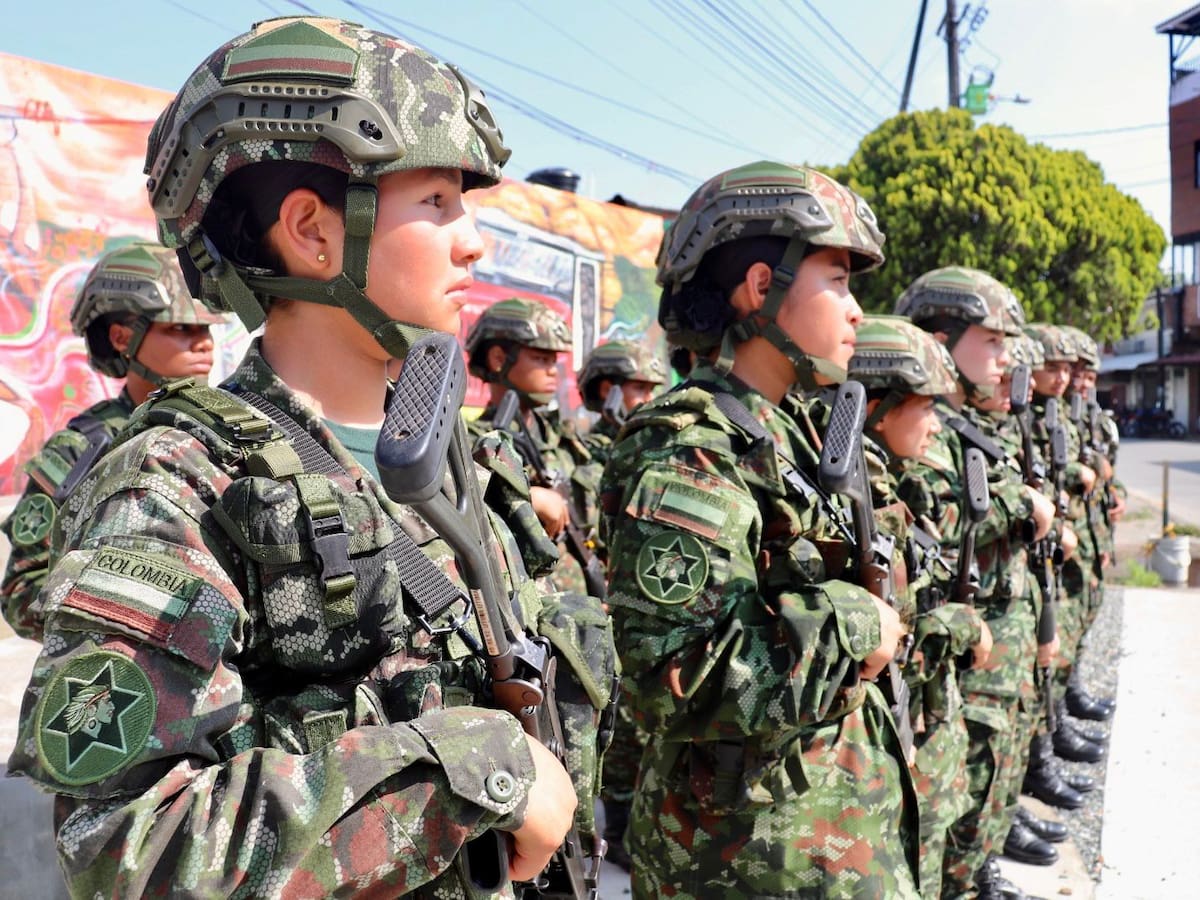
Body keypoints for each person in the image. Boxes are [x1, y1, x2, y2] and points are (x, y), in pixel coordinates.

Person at [7, 17, 615, 897]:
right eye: (437, 201)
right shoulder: (178, 482)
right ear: (312, 232)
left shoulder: (474, 457)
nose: (473, 240)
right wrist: (466, 777)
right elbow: (125, 844)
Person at [600, 161, 920, 898]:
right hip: (743, 862)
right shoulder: (692, 449)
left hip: (822, 836)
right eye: (837, 280)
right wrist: (854, 627)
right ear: (758, 287)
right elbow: (671, 679)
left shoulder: (793, 431)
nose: (856, 312)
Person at [893, 266, 1056, 899]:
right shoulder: (915, 428)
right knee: (955, 792)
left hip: (993, 642)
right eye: (991, 341)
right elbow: (928, 514)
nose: (1005, 357)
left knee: (986, 776)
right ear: (940, 340)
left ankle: (978, 870)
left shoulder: (970, 427)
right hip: (955, 656)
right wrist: (1019, 505)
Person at [1, 242, 224, 639]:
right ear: (122, 338)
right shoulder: (82, 450)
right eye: (180, 328)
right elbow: (22, 592)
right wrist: (120, 606)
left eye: (205, 328)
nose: (204, 342)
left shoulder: (231, 431)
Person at [846, 314, 994, 897]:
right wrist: (959, 627)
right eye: (926, 407)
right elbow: (886, 647)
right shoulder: (859, 502)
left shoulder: (889, 487)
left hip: (922, 743)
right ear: (877, 409)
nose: (936, 426)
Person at [465, 297, 603, 595]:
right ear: (498, 358)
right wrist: (530, 497)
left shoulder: (565, 440)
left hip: (580, 601)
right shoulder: (472, 443)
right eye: (541, 359)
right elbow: (459, 512)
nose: (553, 370)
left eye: (554, 361)